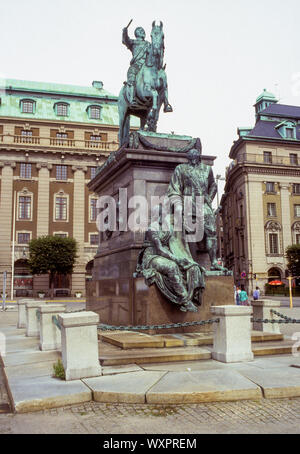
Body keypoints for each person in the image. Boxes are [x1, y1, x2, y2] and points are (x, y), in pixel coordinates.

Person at [135, 204, 205, 312]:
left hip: (166, 255)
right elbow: (159, 249)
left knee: (191, 267)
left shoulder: (167, 228)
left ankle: (191, 296)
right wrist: (176, 260)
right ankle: (185, 301)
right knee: (171, 267)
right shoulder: (151, 228)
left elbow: (174, 245)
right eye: (163, 213)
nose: (165, 215)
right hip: (151, 257)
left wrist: (183, 258)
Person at [167, 147, 227, 272]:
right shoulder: (181, 169)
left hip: (204, 204)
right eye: (190, 158)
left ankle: (214, 262)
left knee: (211, 232)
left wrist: (209, 199)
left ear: (199, 157)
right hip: (188, 203)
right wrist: (178, 204)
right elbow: (175, 188)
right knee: (191, 235)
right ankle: (193, 264)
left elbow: (213, 185)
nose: (192, 160)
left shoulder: (207, 169)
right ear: (187, 158)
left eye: (195, 157)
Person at [122, 23, 151, 104]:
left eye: (143, 30)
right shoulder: (133, 43)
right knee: (131, 74)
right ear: (136, 34)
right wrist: (124, 32)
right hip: (137, 65)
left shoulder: (148, 44)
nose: (142, 31)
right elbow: (125, 40)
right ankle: (132, 98)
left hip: (147, 65)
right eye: (140, 30)